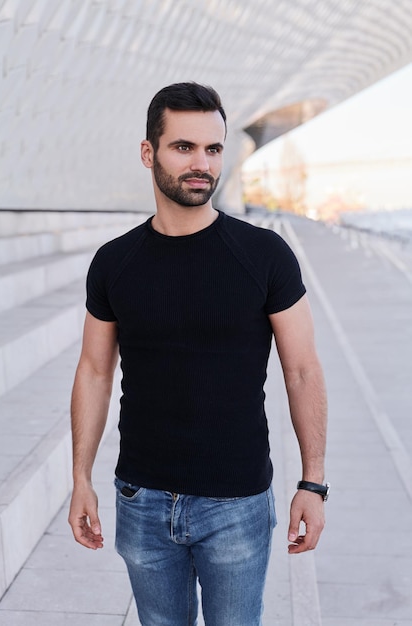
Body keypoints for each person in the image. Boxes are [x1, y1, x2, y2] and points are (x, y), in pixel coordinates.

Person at [68, 82, 328, 626]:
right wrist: (80, 477)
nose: (202, 164)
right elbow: (94, 370)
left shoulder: (265, 255)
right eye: (183, 147)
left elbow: (302, 370)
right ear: (149, 153)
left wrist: (313, 480)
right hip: (142, 499)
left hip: (236, 503)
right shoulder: (114, 263)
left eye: (213, 149)